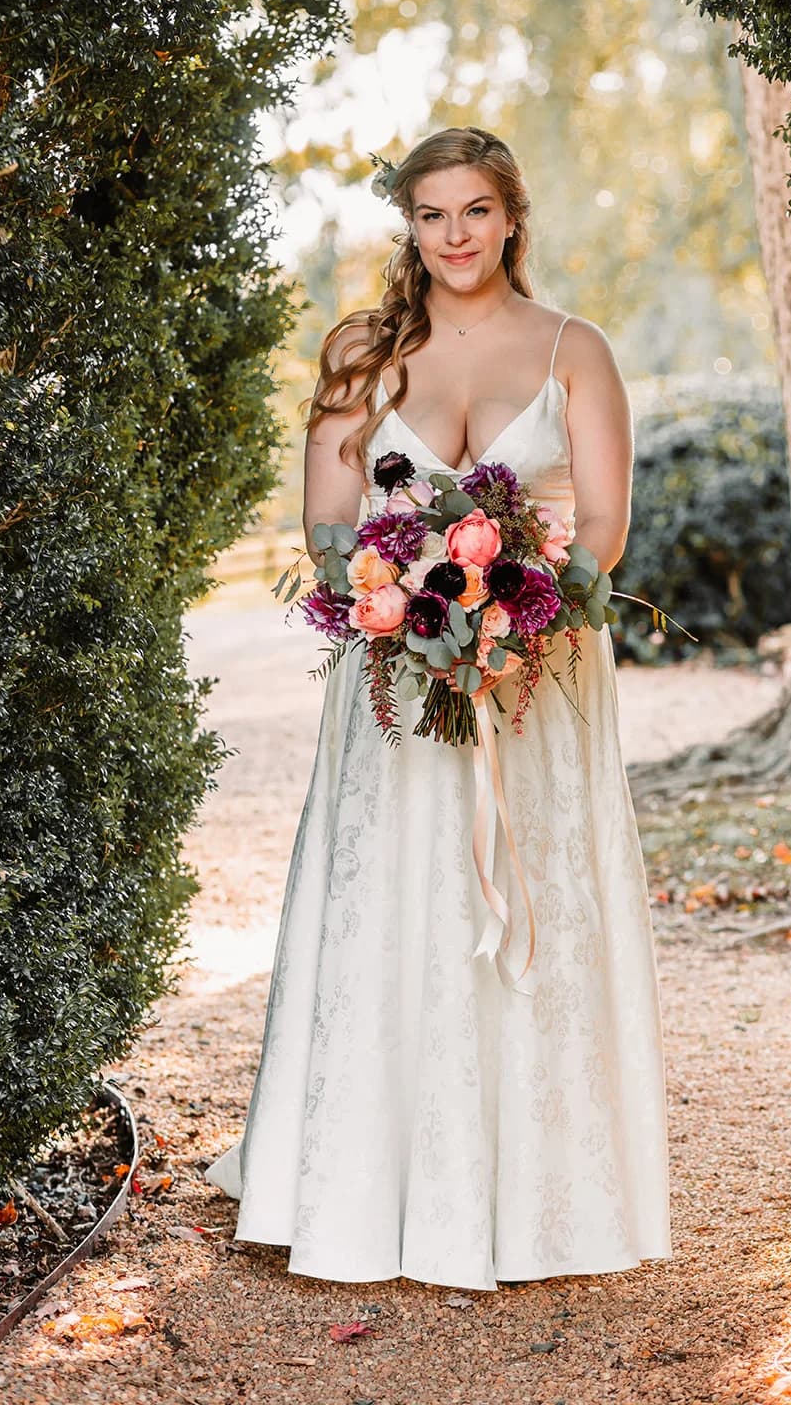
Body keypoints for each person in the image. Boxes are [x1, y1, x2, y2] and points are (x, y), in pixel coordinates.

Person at [204, 124, 672, 1290]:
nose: (453, 235)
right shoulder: (363, 353)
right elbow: (323, 526)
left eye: (474, 210)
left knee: (527, 914)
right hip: (393, 685)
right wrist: (392, 600)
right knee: (391, 896)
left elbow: (604, 532)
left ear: (512, 215)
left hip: (538, 684)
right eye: (430, 215)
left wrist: (516, 616)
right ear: (408, 228)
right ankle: (360, 1184)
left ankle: (533, 1198)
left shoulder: (576, 349)